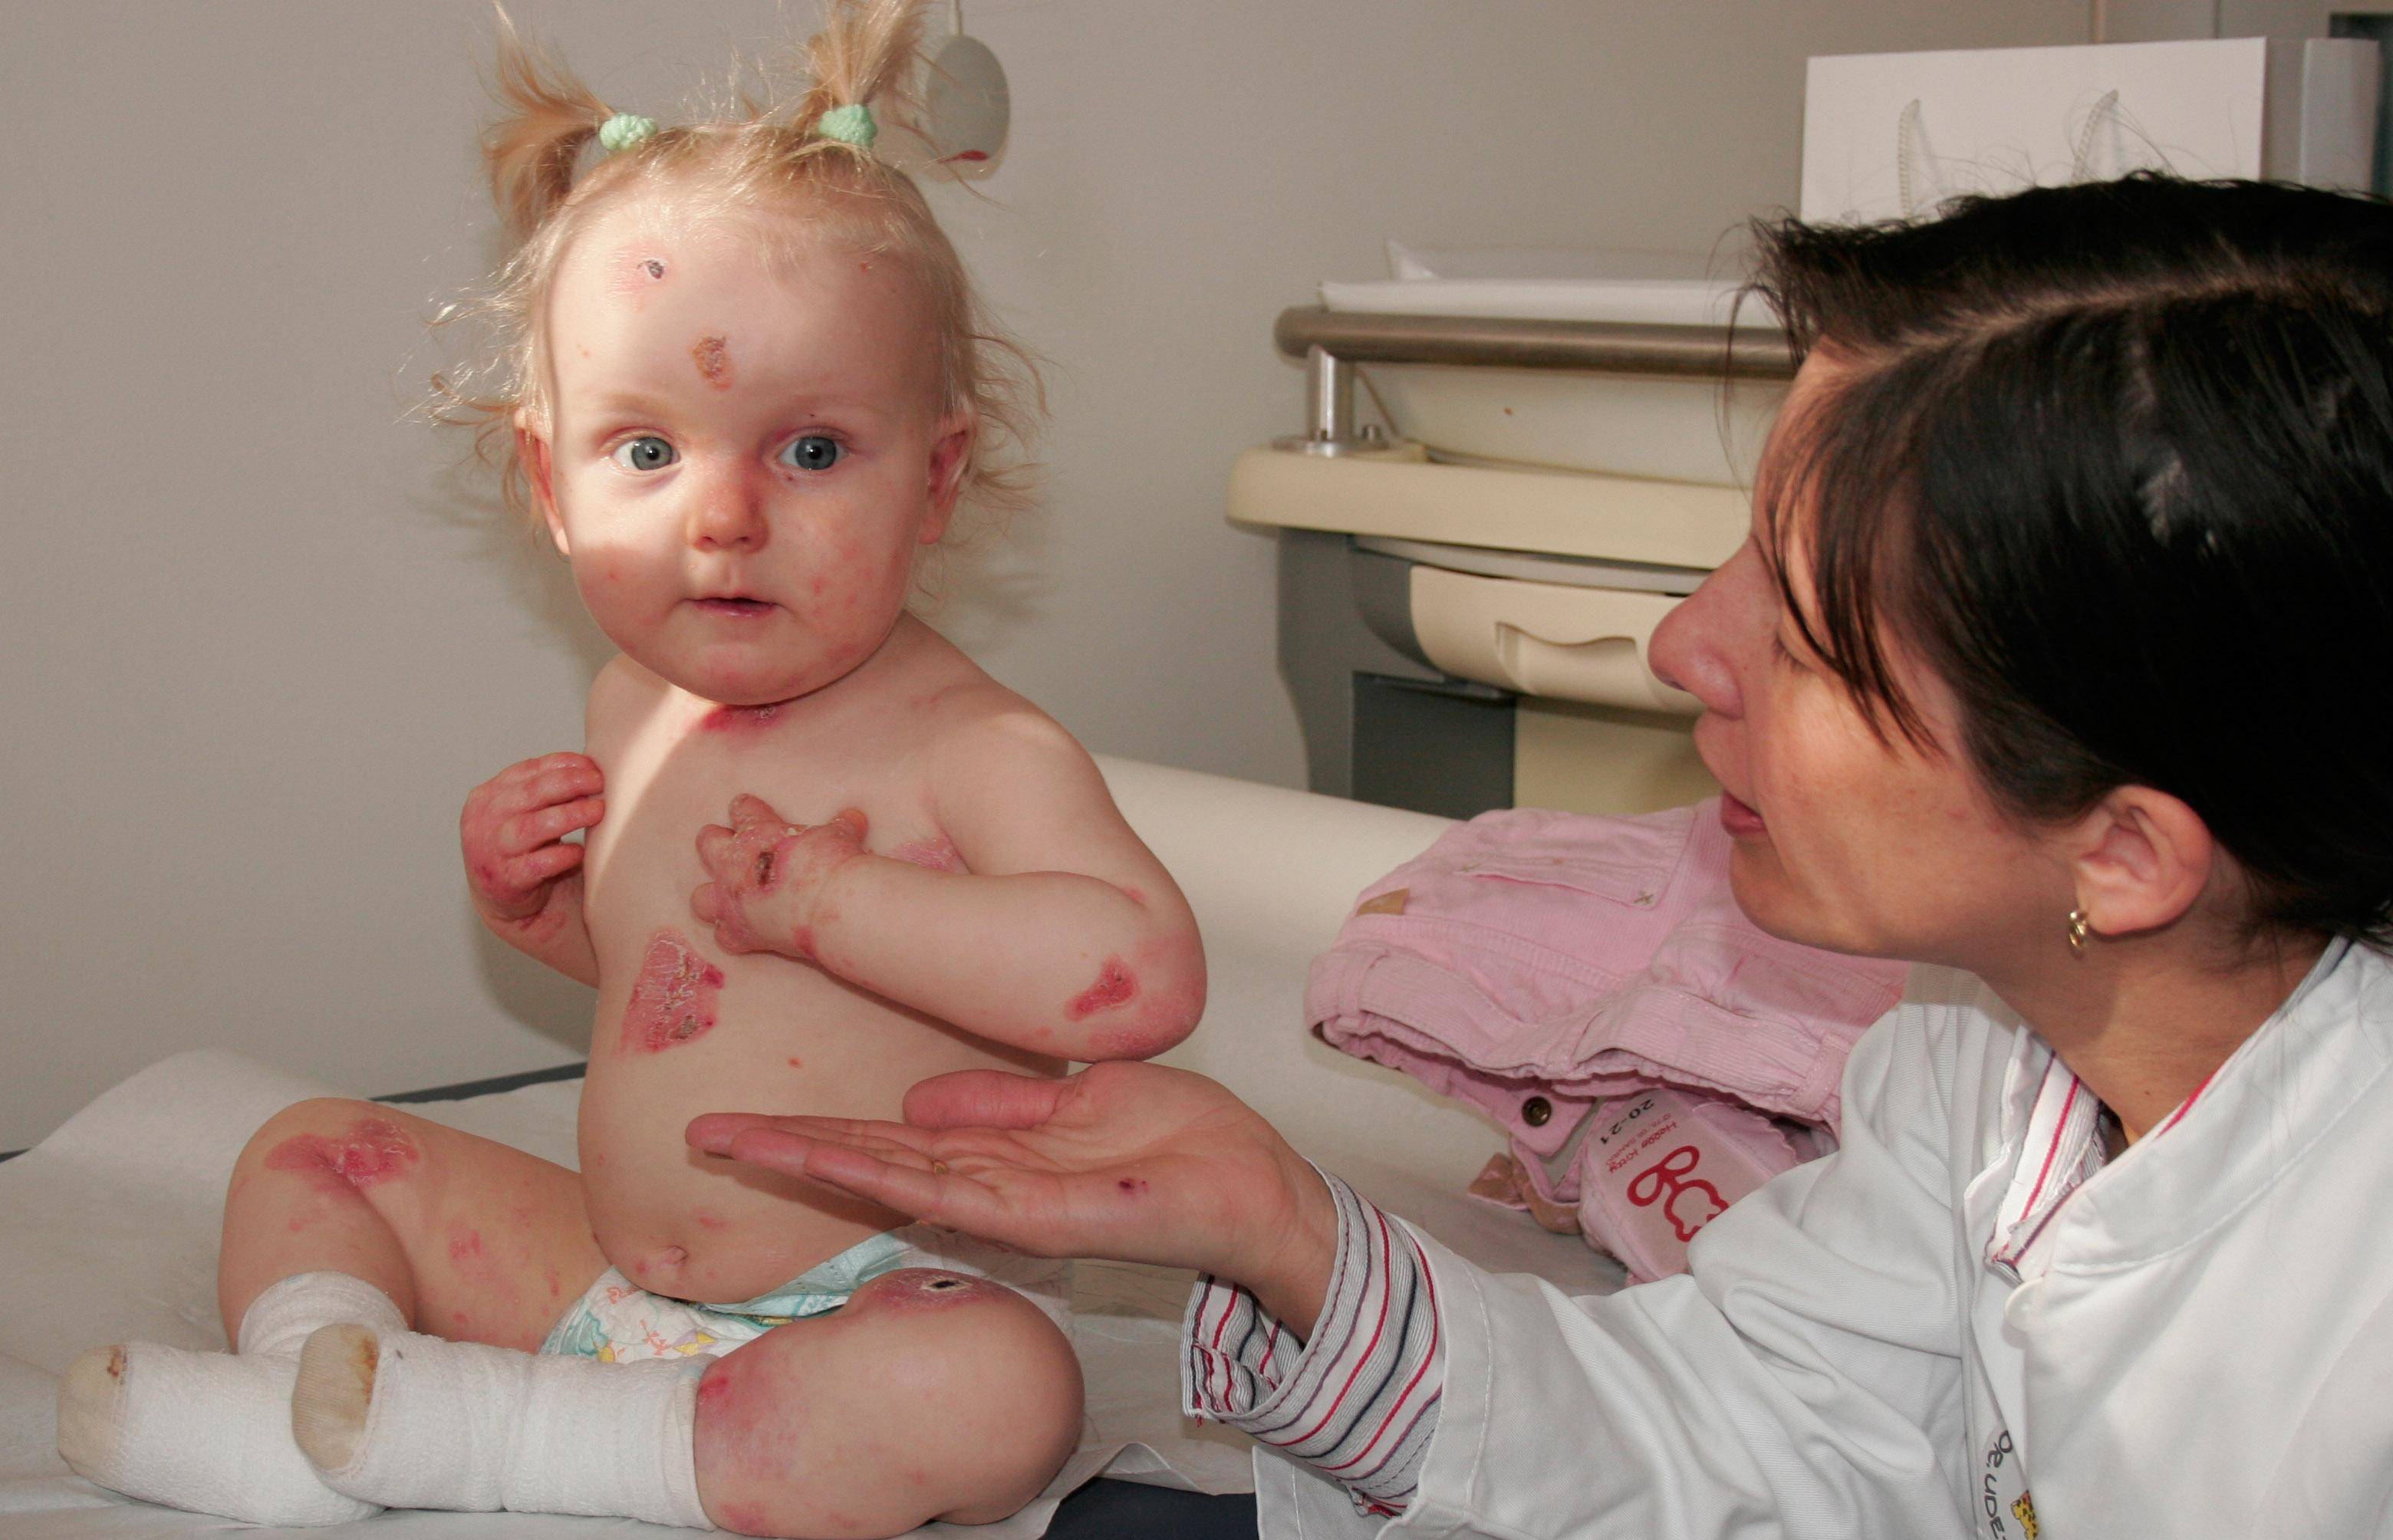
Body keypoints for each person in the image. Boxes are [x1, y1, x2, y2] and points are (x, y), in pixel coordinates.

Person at [686, 173, 2393, 1538]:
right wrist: (1290, 1233)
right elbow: (1758, 1422)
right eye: (1738, 554)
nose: (1683, 648)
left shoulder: (2341, 1354)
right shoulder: (1992, 1066)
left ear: (2124, 850)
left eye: (1804, 639)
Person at [52, 3, 1206, 1535]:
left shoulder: (974, 747)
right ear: (551, 478)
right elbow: (691, 992)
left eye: (809, 450)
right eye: (648, 451)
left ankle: (514, 1440)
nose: (723, 519)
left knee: (1000, 1389)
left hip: (871, 1300)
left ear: (935, 476)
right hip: (608, 1276)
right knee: (308, 1149)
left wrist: (839, 903)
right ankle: (304, 1397)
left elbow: (1141, 978)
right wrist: (556, 921)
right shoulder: (631, 704)